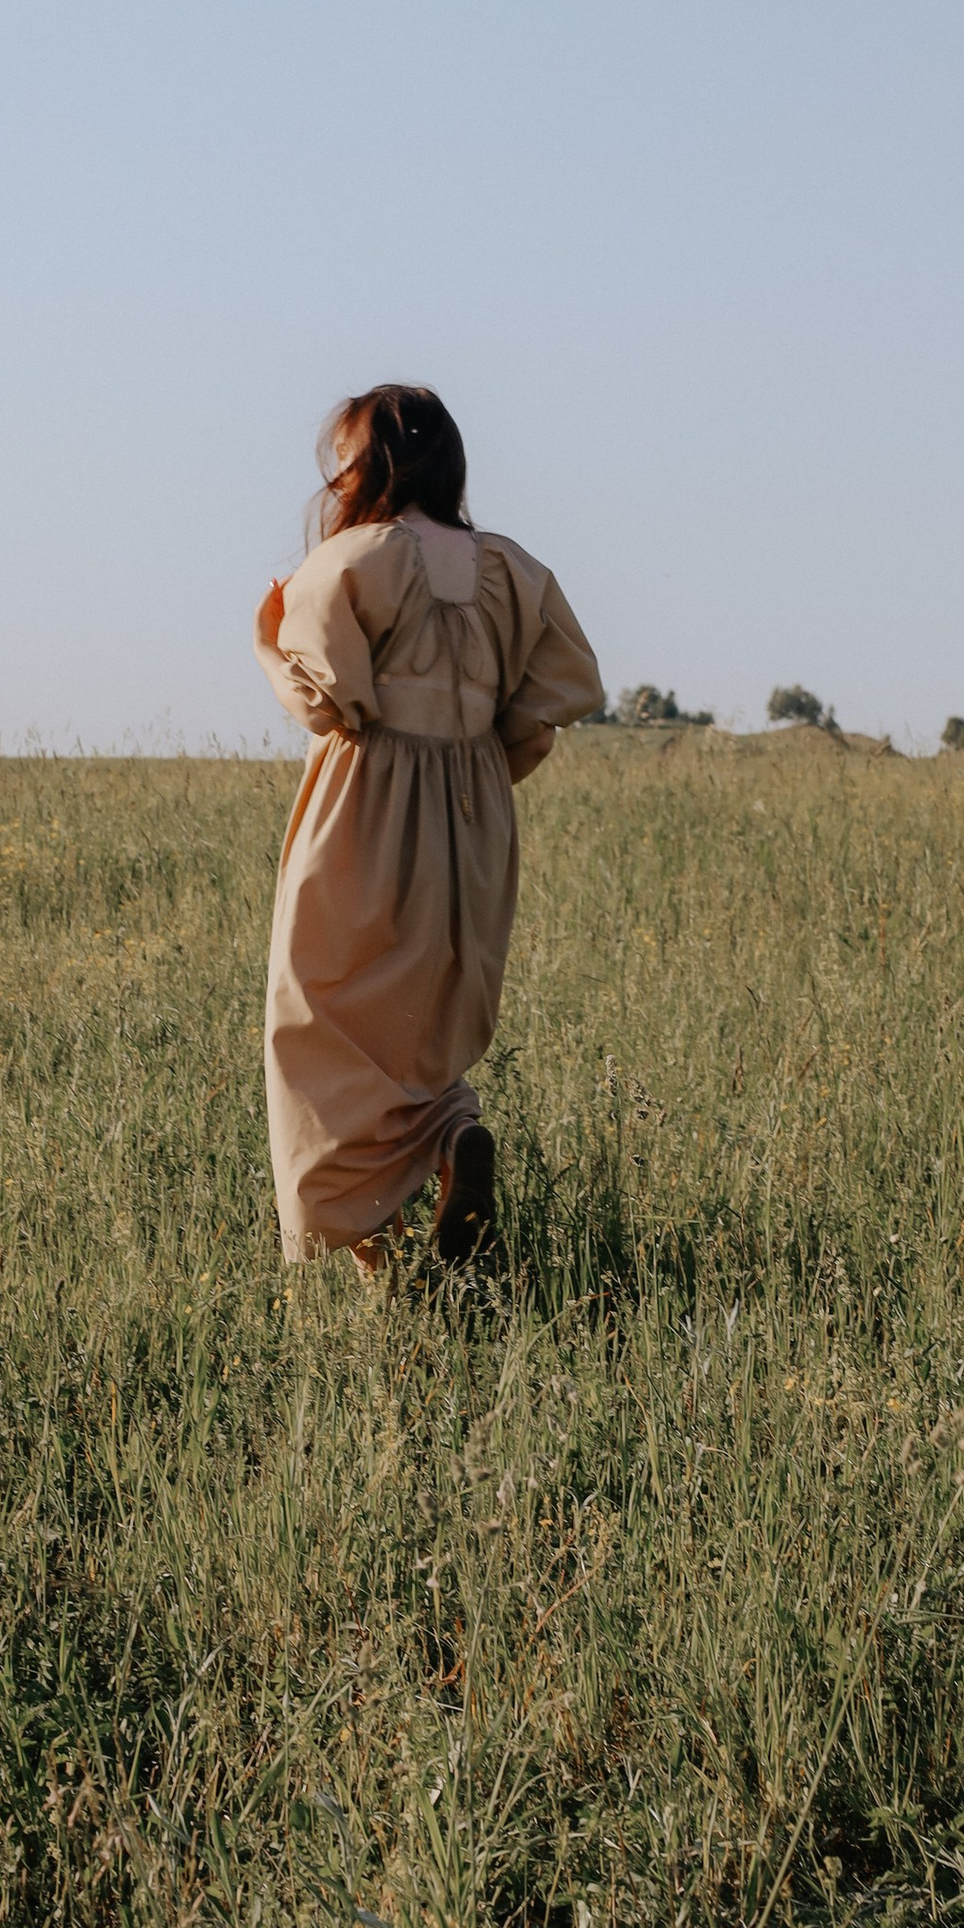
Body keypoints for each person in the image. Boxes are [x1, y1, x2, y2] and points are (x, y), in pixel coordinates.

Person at [255, 385, 602, 1274]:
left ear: (369, 463)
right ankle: (452, 1141)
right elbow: (551, 702)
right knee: (427, 1018)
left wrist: (269, 636)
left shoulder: (352, 560)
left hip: (366, 803)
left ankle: (350, 1245)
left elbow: (322, 697)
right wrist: (472, 759)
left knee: (325, 1019)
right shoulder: (515, 570)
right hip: (474, 815)